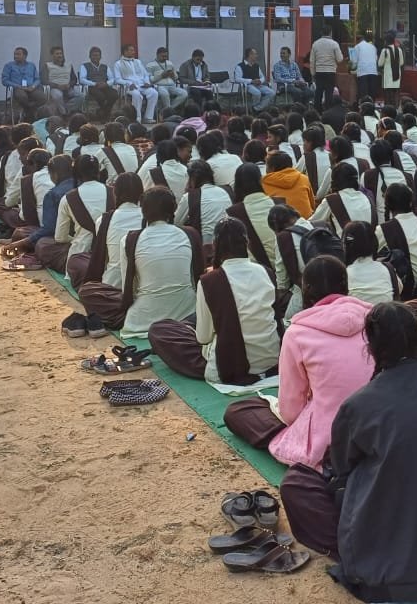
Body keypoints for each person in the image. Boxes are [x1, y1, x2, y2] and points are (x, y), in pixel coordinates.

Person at [280, 303, 417, 603]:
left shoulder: (358, 405)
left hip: (385, 553)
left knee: (296, 483)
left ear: (372, 349)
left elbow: (341, 469)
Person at [224, 256, 374, 467]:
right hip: (378, 429)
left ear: (306, 290)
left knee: (238, 411)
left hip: (331, 440)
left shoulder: (297, 333)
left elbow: (290, 412)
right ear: (346, 286)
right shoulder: (375, 319)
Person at [148, 217, 281, 384]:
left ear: (215, 245)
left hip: (230, 367)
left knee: (159, 330)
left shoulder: (209, 281)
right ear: (246, 242)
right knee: (195, 319)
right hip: (272, 360)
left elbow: (203, 338)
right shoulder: (267, 272)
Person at [76, 186, 196, 341]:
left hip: (144, 321)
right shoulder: (190, 234)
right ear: (173, 209)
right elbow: (196, 280)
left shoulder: (130, 240)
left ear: (143, 211)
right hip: (187, 314)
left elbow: (129, 292)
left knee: (87, 290)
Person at [36, 154, 111, 274]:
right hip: (109, 256)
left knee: (43, 244)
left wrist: (76, 238)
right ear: (98, 172)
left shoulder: (68, 198)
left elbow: (60, 238)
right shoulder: (113, 192)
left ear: (75, 173)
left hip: (79, 256)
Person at [311, 162, 373, 235]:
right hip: (371, 244)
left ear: (334, 182)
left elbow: (311, 223)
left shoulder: (332, 200)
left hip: (345, 245)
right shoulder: (368, 198)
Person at [261, 150, 315, 218]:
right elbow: (312, 206)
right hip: (306, 222)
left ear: (272, 168)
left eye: (267, 166)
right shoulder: (304, 179)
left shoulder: (264, 183)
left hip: (281, 225)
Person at [113, 43, 158, 123]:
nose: (133, 52)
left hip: (141, 85)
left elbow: (145, 75)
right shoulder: (118, 64)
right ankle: (137, 118)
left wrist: (147, 82)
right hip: (129, 87)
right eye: (131, 50)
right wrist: (129, 83)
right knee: (137, 95)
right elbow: (117, 79)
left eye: (133, 50)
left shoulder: (138, 62)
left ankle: (148, 117)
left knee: (154, 93)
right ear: (125, 51)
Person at [1, 47, 44, 118]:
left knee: (43, 97)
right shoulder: (9, 66)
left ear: (25, 56)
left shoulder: (31, 65)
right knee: (22, 96)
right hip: (18, 88)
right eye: (15, 54)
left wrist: (32, 87)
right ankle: (30, 112)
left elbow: (37, 79)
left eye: (18, 54)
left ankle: (29, 110)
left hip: (31, 88)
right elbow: (4, 80)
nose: (15, 56)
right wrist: (18, 86)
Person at [77, 46, 119, 119]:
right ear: (90, 56)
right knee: (101, 96)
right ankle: (106, 114)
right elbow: (82, 79)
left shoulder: (105, 67)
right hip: (92, 87)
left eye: (98, 55)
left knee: (114, 94)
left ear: (100, 57)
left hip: (104, 86)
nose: (96, 57)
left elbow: (112, 79)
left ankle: (102, 112)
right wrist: (94, 83)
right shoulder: (84, 66)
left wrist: (106, 84)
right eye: (94, 55)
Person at [309, 25, 344, 110]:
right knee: (329, 93)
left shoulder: (315, 44)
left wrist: (313, 74)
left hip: (319, 72)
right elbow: (340, 59)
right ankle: (328, 111)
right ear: (330, 33)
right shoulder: (334, 44)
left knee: (318, 93)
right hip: (330, 72)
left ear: (321, 33)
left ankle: (317, 111)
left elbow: (312, 61)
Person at [146, 46, 188, 113]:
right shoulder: (150, 65)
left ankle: (169, 110)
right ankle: (168, 112)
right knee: (165, 94)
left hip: (171, 85)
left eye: (166, 56)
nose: (165, 58)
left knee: (184, 93)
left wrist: (173, 75)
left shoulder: (169, 63)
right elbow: (150, 80)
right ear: (157, 55)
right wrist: (161, 75)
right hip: (159, 86)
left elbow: (176, 77)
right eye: (163, 56)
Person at [233, 47, 275, 111]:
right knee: (257, 93)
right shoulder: (240, 66)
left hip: (258, 85)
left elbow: (262, 77)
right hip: (247, 85)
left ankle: (255, 109)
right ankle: (257, 109)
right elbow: (237, 79)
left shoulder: (256, 66)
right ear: (250, 55)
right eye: (255, 54)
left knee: (272, 93)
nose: (256, 56)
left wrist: (260, 81)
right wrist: (251, 81)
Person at [41, 45, 79, 114]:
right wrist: (57, 86)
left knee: (81, 96)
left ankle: (66, 109)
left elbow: (74, 79)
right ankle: (63, 114)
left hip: (68, 88)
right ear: (52, 55)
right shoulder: (47, 65)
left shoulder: (69, 65)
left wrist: (69, 85)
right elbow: (44, 80)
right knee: (57, 96)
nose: (59, 55)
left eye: (61, 53)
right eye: (57, 54)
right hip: (55, 88)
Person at [349, 29, 378, 103]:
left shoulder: (357, 47)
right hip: (373, 72)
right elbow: (376, 59)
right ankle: (372, 108)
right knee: (372, 93)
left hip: (363, 72)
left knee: (363, 94)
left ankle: (363, 108)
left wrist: (351, 68)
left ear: (358, 40)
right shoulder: (373, 47)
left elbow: (354, 62)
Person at [377, 32, 404, 106]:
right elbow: (401, 63)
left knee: (388, 95)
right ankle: (395, 107)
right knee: (395, 94)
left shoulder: (385, 50)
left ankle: (388, 109)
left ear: (386, 41)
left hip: (388, 76)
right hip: (397, 76)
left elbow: (380, 63)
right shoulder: (399, 50)